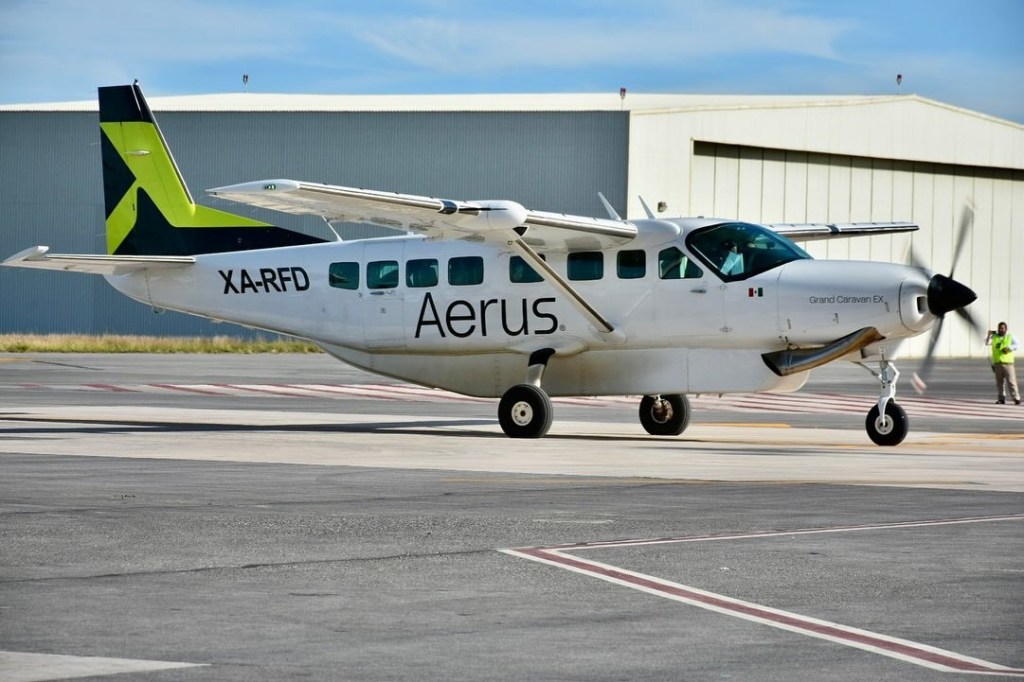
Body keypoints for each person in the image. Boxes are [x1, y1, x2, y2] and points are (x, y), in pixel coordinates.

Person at [985, 322, 1021, 405]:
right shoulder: (995, 337)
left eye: (1002, 328)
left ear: (1006, 329)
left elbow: (1017, 345)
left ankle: (1016, 398)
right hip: (997, 363)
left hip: (1007, 363)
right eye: (999, 328)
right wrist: (988, 335)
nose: (1001, 330)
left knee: (1011, 382)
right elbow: (987, 343)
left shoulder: (1010, 336)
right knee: (1000, 382)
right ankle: (1001, 398)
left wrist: (1009, 348)